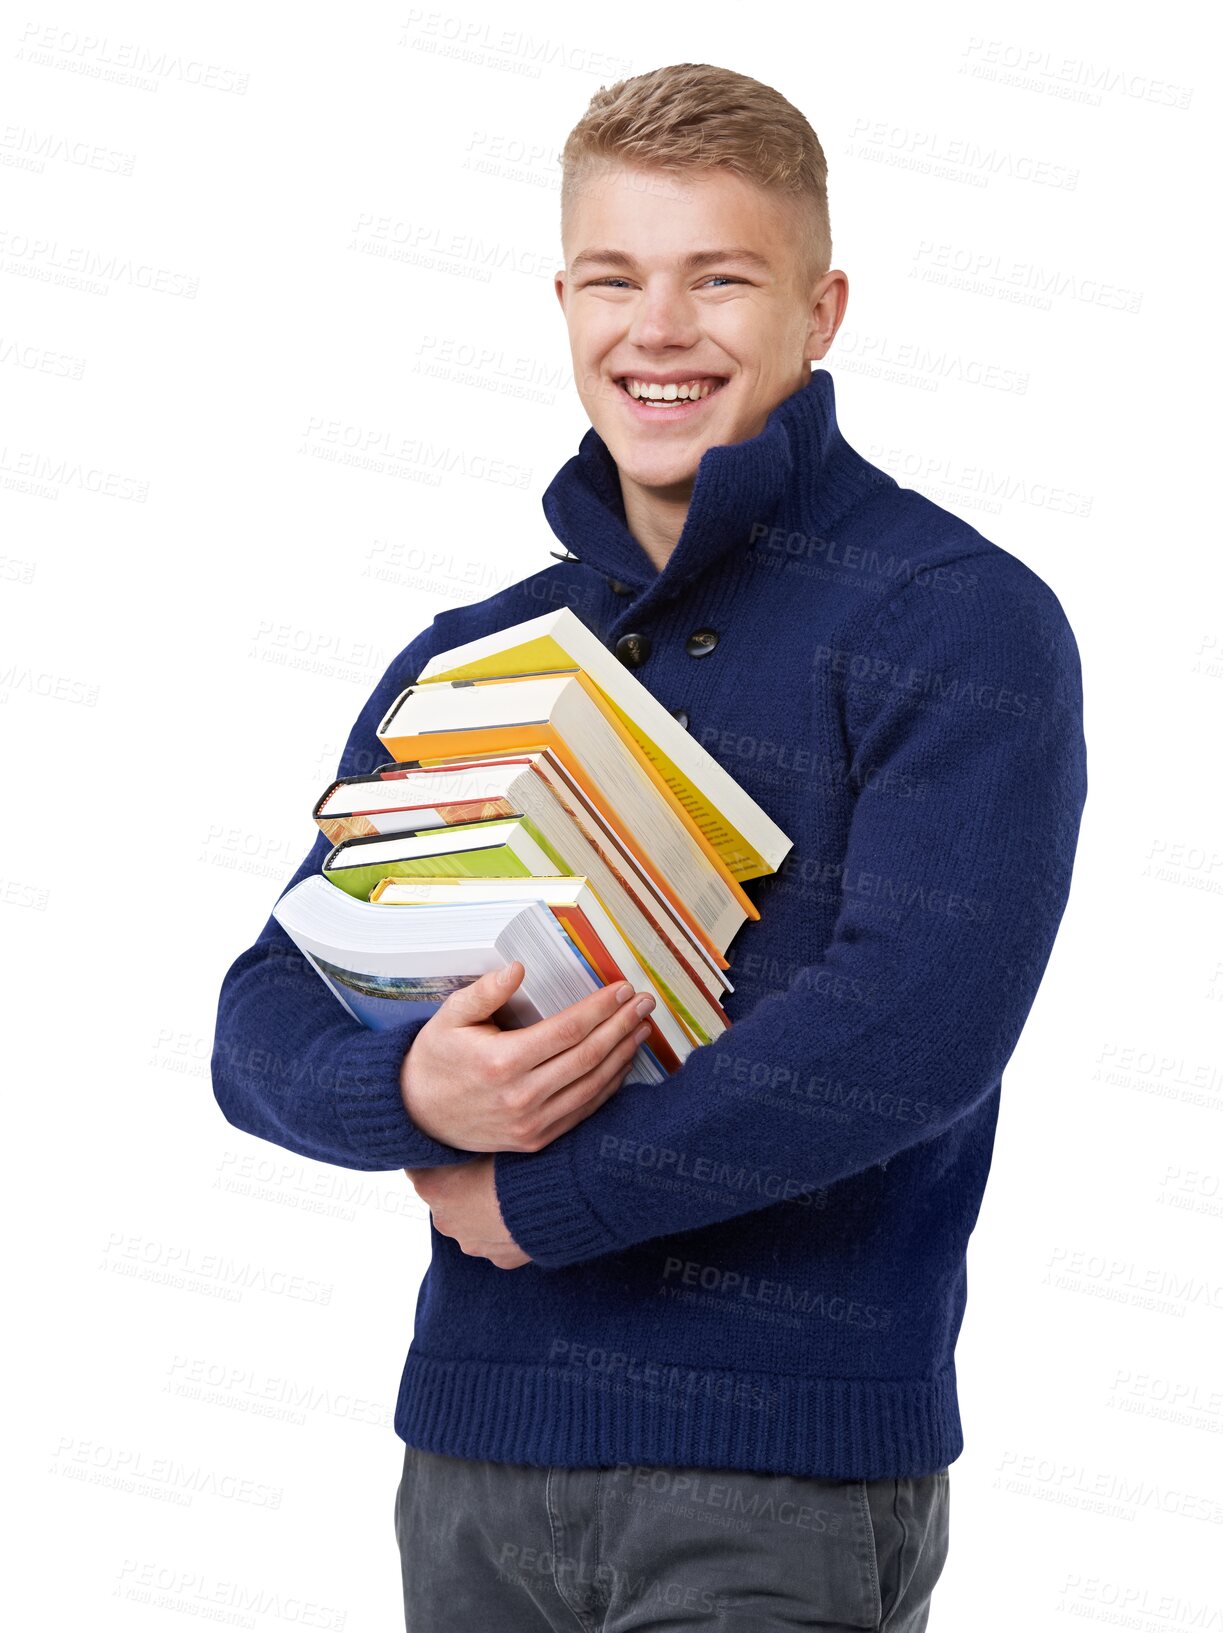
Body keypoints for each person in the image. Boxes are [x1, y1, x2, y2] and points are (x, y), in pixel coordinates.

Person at [211, 62, 1088, 1632]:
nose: (657, 329)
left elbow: (913, 1033)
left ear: (821, 311)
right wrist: (410, 1087)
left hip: (776, 1480)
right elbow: (262, 1009)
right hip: (470, 1458)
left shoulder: (957, 619)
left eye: (719, 279)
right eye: (614, 278)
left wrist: (545, 1197)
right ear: (563, 302)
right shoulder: (478, 652)